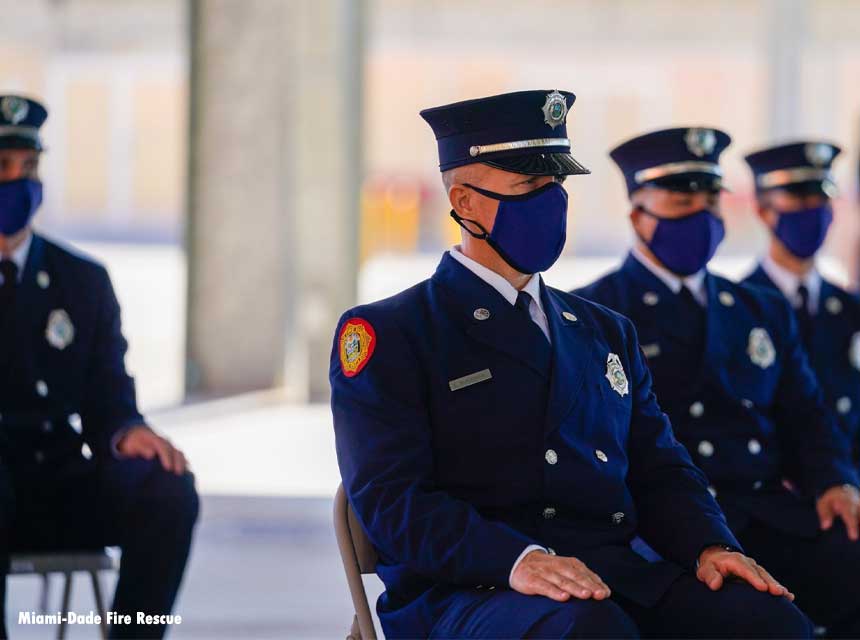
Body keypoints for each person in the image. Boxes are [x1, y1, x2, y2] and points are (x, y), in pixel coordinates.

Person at [331, 92, 809, 639]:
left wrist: (708, 544)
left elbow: (660, 468)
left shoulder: (604, 330)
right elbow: (392, 500)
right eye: (529, 188)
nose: (551, 202)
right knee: (590, 631)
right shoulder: (392, 333)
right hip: (470, 590)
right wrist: (519, 559)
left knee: (766, 621)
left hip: (606, 575)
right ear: (464, 201)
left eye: (557, 186)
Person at [574, 126, 860, 636]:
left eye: (710, 199)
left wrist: (834, 480)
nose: (701, 215)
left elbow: (805, 414)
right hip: (666, 530)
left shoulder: (758, 308)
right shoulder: (597, 313)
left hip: (764, 511)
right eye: (682, 198)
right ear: (638, 211)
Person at [0, 95, 198, 639]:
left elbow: (108, 398)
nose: (18, 183)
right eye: (2, 167)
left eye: (30, 168)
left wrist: (127, 432)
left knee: (167, 490)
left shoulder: (80, 281)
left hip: (54, 482)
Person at [741, 141, 860, 461]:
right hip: (775, 490)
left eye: (822, 198)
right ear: (763, 210)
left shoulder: (850, 309)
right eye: (799, 198)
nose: (814, 209)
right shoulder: (739, 309)